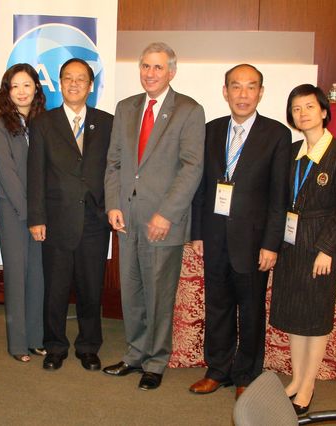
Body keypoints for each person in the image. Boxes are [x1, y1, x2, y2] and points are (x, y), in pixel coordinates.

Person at [103, 42, 205, 390]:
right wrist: (113, 204)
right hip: (127, 219)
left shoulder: (189, 110)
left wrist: (166, 213)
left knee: (159, 295)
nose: (150, 73)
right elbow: (114, 162)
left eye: (158, 67)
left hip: (163, 221)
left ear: (171, 72)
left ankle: (156, 362)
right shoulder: (126, 107)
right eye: (145, 66)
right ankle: (134, 354)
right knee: (130, 292)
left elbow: (191, 169)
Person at [188, 64, 291, 399]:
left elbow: (279, 196)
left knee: (250, 310)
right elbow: (202, 186)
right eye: (236, 87)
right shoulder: (212, 129)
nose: (243, 94)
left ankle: (246, 374)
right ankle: (218, 370)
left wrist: (271, 243)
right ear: (225, 91)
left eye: (250, 87)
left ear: (260, 92)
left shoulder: (276, 134)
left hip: (253, 241)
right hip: (216, 237)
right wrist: (198, 233)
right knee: (217, 306)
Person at [270, 84, 336, 415]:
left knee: (316, 314)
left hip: (321, 244)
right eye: (296, 108)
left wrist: (327, 248)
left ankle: (308, 383)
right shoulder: (292, 151)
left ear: (324, 111)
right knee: (295, 312)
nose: (303, 113)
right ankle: (295, 377)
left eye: (309, 106)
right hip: (292, 242)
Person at [27, 58, 113, 371]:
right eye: (68, 78)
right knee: (56, 288)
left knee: (92, 288)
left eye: (81, 79)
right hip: (55, 220)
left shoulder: (106, 123)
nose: (74, 84)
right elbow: (35, 173)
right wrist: (36, 217)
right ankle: (55, 346)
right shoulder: (43, 123)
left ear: (91, 86)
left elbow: (113, 170)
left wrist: (110, 209)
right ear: (59, 83)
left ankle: (89, 346)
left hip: (94, 220)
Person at [0, 64, 47, 363]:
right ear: (7, 92)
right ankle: (17, 343)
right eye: (15, 86)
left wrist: (41, 213)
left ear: (36, 88)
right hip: (13, 210)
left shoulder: (45, 122)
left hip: (40, 211)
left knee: (38, 274)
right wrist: (29, 214)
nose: (22, 91)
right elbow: (7, 172)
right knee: (16, 274)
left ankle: (37, 338)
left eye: (27, 85)